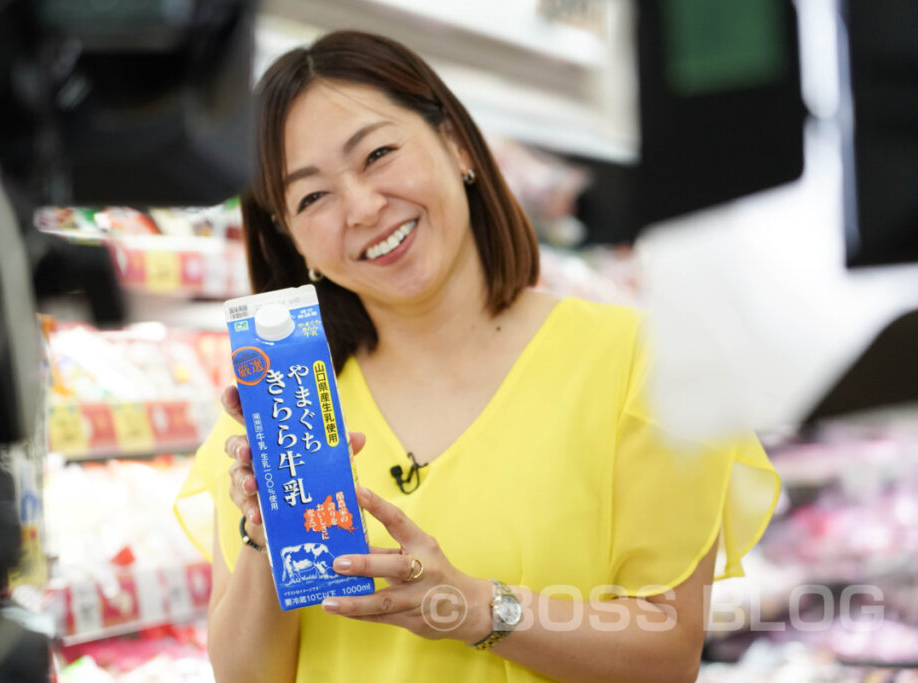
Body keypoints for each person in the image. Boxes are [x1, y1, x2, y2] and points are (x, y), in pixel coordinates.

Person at [174, 30, 780, 683]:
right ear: (291, 239)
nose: (364, 207)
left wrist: (473, 608)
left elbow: (666, 651)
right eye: (312, 196)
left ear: (458, 145)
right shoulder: (285, 412)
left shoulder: (642, 363)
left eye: (378, 153)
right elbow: (245, 675)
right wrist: (266, 537)